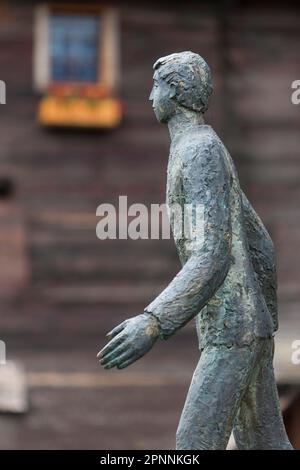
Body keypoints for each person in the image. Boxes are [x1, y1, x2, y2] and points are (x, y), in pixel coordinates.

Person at [98, 51, 292, 450]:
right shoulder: (204, 147)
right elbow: (261, 244)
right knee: (265, 443)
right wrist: (264, 321)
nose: (151, 97)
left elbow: (212, 255)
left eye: (156, 86)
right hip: (245, 327)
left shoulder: (197, 151)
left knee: (194, 442)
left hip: (232, 330)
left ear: (176, 92)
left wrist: (153, 322)